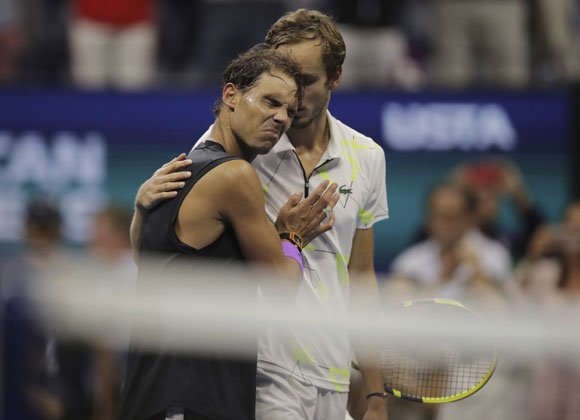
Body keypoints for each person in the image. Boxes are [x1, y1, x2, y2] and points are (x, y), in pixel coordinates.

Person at [133, 9, 389, 420]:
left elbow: (360, 277)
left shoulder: (368, 157)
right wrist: (144, 204)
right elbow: (168, 244)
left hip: (334, 374)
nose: (294, 100)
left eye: (306, 81)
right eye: (280, 86)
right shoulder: (238, 152)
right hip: (263, 372)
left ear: (335, 78)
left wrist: (375, 393)